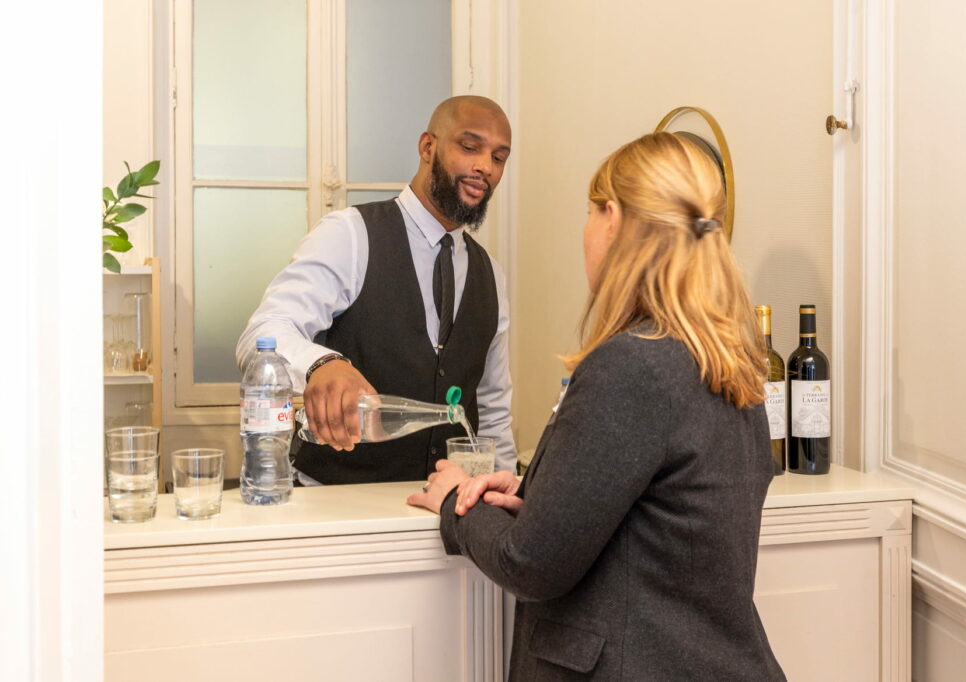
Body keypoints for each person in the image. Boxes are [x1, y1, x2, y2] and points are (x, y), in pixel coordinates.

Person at [408, 132, 787, 680]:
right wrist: (539, 498)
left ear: (613, 219)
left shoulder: (632, 365)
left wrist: (453, 504)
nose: (585, 231)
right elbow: (663, 520)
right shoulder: (729, 359)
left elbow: (530, 565)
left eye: (590, 212)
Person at [237, 95, 516, 485]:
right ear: (427, 147)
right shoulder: (350, 235)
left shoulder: (491, 274)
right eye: (470, 147)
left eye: (498, 158)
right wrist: (321, 364)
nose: (485, 166)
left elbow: (492, 408)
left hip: (444, 508)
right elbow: (262, 334)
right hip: (334, 500)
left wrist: (507, 493)